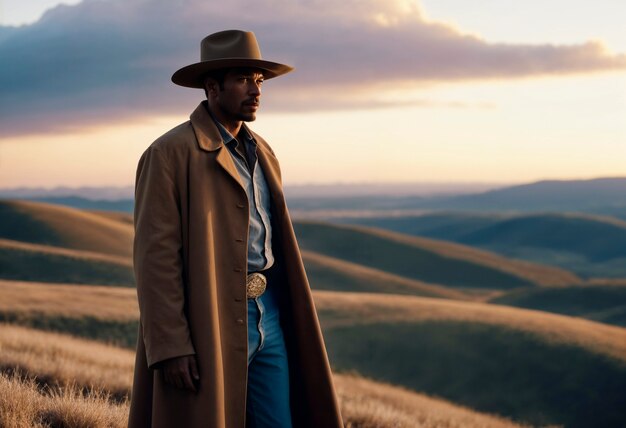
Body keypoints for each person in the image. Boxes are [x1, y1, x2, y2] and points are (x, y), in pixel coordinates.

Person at [127, 30, 343, 428]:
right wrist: (171, 344)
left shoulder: (263, 151)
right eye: (244, 79)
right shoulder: (169, 154)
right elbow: (155, 258)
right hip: (209, 316)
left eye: (259, 80)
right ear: (212, 86)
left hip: (269, 314)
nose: (256, 90)